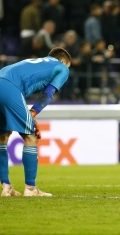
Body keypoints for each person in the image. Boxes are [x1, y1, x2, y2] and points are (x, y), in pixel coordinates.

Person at [0, 47, 72, 197]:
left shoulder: (35, 63)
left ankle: (6, 187)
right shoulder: (62, 67)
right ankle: (30, 189)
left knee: (2, 137)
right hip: (10, 88)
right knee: (31, 136)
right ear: (64, 61)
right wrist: (33, 112)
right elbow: (48, 93)